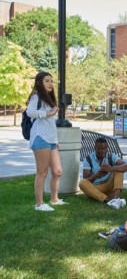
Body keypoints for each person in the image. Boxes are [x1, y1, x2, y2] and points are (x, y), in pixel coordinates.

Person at [26, 72, 67, 212]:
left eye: (51, 81)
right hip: (40, 137)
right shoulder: (36, 96)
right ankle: (39, 204)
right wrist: (48, 113)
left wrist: (55, 141)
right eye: (47, 81)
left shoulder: (48, 98)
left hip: (50, 140)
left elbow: (50, 124)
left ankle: (54, 200)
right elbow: (29, 112)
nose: (50, 83)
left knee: (57, 171)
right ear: (39, 82)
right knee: (42, 172)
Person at [79, 137, 127, 209]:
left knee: (119, 170)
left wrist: (111, 168)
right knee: (82, 183)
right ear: (95, 147)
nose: (102, 151)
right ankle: (108, 200)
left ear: (107, 148)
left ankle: (115, 198)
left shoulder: (111, 156)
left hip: (108, 185)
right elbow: (86, 181)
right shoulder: (88, 159)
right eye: (100, 148)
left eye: (104, 148)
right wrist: (98, 175)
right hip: (95, 188)